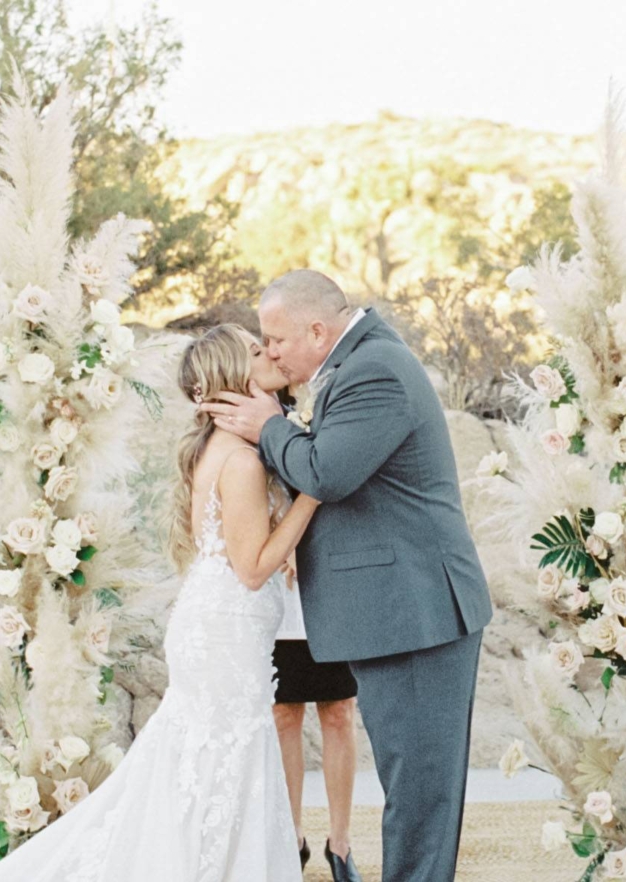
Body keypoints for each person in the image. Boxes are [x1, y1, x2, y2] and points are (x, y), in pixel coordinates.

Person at [0, 324, 313, 881]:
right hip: (225, 631)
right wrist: (313, 497)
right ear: (233, 376)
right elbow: (253, 568)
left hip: (219, 626)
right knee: (223, 762)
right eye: (255, 350)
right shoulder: (243, 461)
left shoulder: (227, 449)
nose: (269, 352)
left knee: (207, 766)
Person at [201, 270, 493, 882]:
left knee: (418, 799)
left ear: (317, 328)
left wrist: (267, 427)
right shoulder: (358, 363)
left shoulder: (374, 370)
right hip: (399, 612)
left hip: (415, 614)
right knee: (416, 793)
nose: (272, 352)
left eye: (276, 340)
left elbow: (327, 472)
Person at [271, 544, 361, 880]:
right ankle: (291, 840)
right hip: (279, 578)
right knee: (283, 714)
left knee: (340, 710)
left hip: (334, 576)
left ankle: (340, 844)